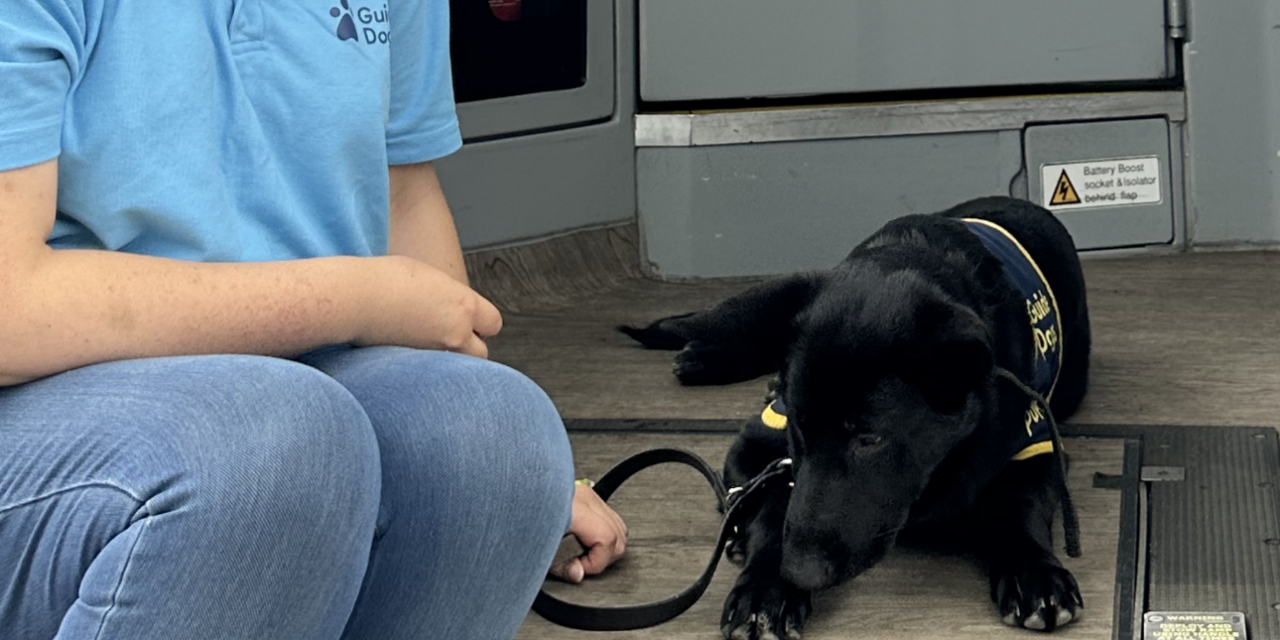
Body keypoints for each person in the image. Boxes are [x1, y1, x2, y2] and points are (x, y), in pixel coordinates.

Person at [0, 0, 626, 638]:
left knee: (498, 438)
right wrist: (351, 298)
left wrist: (529, 487)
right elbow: (8, 308)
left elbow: (403, 192)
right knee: (271, 446)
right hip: (56, 411)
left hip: (293, 405)